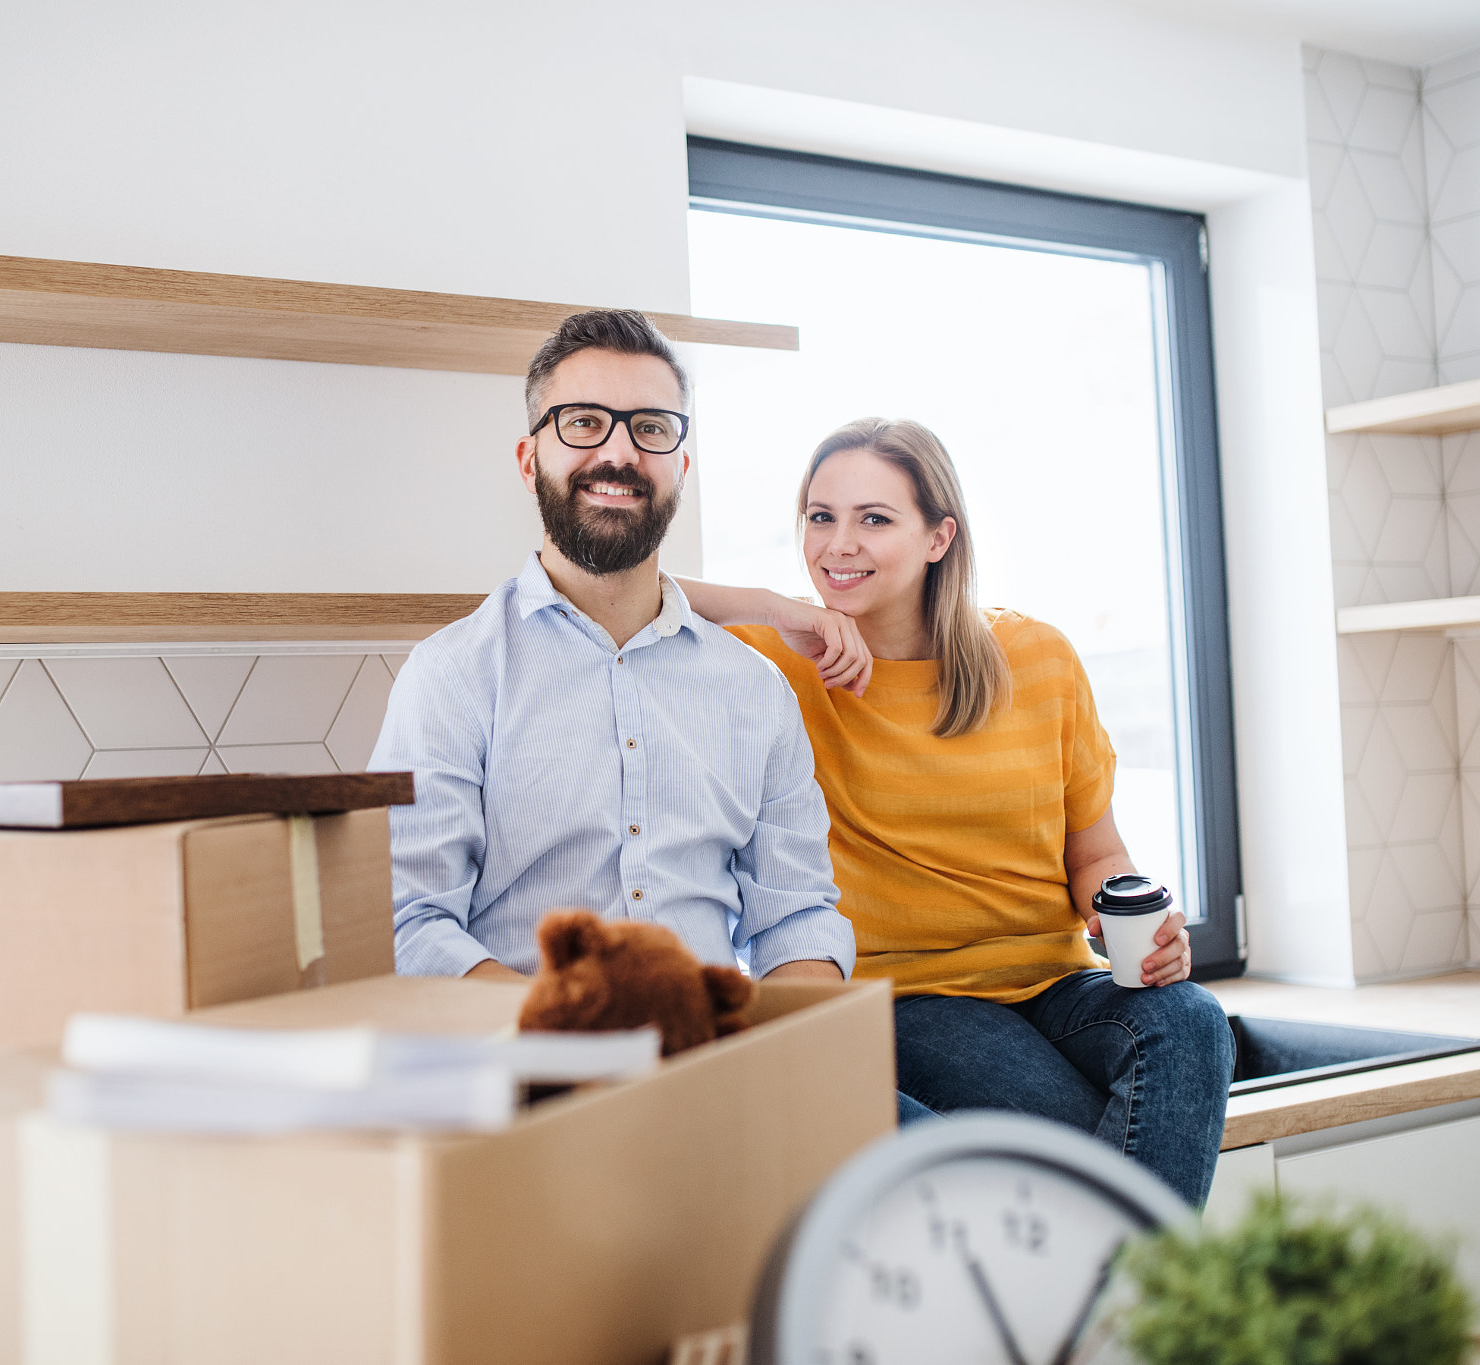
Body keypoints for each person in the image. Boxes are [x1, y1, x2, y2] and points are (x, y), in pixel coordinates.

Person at [682, 417, 1235, 1206]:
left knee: (1194, 1023)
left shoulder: (1037, 657)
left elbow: (1095, 855)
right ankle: (1149, 1310)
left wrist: (1131, 928)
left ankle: (1115, 1310)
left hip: (1057, 986)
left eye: (874, 519)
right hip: (905, 998)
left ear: (940, 536)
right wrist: (780, 610)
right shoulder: (781, 663)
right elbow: (629, 600)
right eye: (820, 516)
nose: (839, 544)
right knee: (1075, 1136)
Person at [368, 309, 861, 990]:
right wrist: (580, 1035)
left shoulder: (756, 690)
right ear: (528, 457)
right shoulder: (452, 676)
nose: (619, 453)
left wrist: (772, 1056)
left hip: (715, 1061)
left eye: (650, 428)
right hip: (527, 1072)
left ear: (681, 466)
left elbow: (797, 917)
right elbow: (410, 923)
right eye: (583, 422)